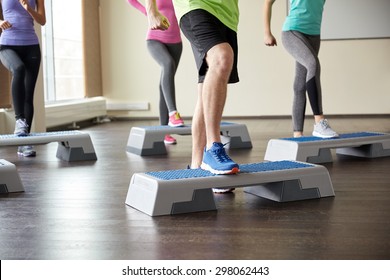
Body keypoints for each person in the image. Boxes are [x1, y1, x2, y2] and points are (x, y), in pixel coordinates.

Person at [145, 0, 240, 193]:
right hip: (195, 6)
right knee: (222, 57)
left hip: (227, 15)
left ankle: (198, 165)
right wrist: (151, 10)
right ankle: (214, 148)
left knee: (206, 84)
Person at [263, 0, 338, 138]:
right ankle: (319, 122)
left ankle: (298, 134)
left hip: (314, 35)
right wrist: (267, 32)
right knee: (312, 64)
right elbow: (268, 2)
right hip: (293, 31)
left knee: (300, 85)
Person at [128, 0, 184, 145]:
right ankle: (173, 114)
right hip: (154, 38)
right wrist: (148, 12)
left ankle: (164, 132)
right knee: (167, 64)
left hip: (176, 41)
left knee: (164, 85)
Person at [0, 0, 46, 157]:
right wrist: (0, 22)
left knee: (28, 94)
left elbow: (42, 20)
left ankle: (24, 143)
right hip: (7, 44)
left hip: (31, 45)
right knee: (18, 69)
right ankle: (20, 120)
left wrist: (29, 9)